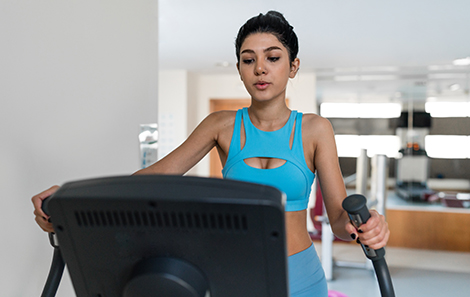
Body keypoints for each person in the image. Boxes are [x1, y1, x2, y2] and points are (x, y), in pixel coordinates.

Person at [32, 11, 390, 297]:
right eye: (248, 60)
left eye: (273, 57)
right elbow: (154, 178)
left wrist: (366, 226)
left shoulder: (314, 129)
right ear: (239, 69)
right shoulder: (221, 125)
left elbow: (341, 219)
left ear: (292, 66)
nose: (260, 68)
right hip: (235, 273)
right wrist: (70, 201)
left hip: (301, 276)